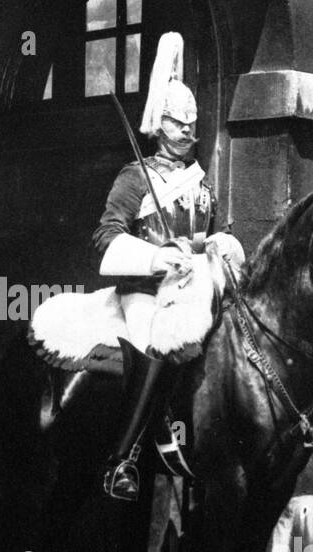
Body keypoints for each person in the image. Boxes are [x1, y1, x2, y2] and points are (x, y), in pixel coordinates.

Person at [93, 32, 225, 502]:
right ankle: (121, 460)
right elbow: (106, 236)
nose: (188, 132)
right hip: (144, 288)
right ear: (158, 124)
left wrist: (219, 241)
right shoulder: (134, 177)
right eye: (178, 124)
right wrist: (154, 257)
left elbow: (206, 232)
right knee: (156, 341)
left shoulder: (202, 183)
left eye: (192, 125)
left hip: (192, 286)